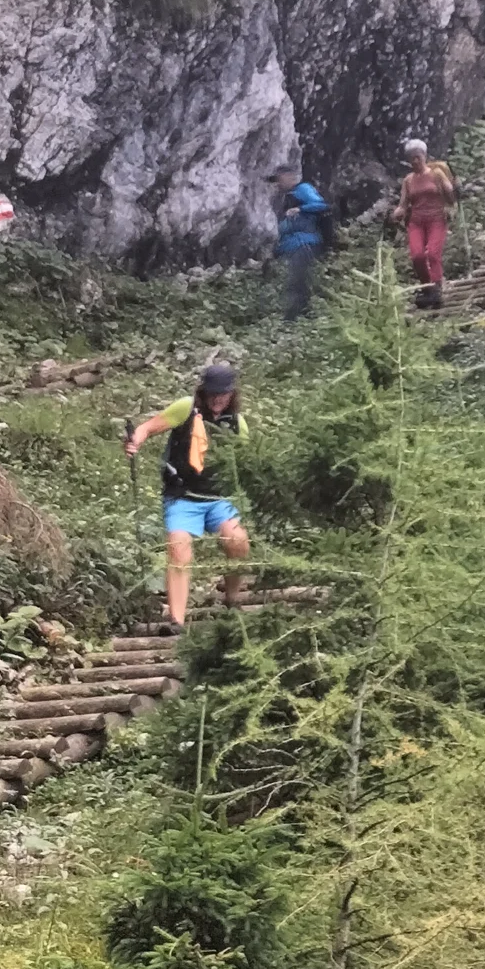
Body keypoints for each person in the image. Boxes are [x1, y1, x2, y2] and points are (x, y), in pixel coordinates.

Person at [124, 363, 250, 630]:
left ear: (231, 394)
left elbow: (248, 461)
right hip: (182, 496)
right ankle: (176, 620)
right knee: (178, 548)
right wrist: (135, 440)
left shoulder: (237, 423)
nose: (218, 399)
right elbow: (148, 427)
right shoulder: (185, 407)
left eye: (223, 394)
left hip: (218, 498)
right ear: (203, 392)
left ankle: (231, 598)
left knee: (238, 541)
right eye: (213, 393)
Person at [390, 138, 460, 307]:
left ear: (424, 156)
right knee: (417, 256)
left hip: (437, 218)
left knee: (433, 254)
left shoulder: (436, 174)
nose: (415, 160)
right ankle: (426, 287)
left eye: (417, 156)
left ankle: (436, 287)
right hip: (416, 221)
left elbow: (450, 195)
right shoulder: (408, 180)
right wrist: (395, 214)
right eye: (411, 158)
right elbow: (404, 204)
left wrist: (456, 189)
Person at [268, 164, 331, 320]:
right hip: (291, 247)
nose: (277, 184)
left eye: (279, 179)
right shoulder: (285, 196)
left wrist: (300, 209)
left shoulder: (303, 189)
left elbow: (322, 205)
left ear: (289, 176)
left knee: (297, 281)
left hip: (304, 243)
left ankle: (295, 319)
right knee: (294, 281)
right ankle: (298, 316)